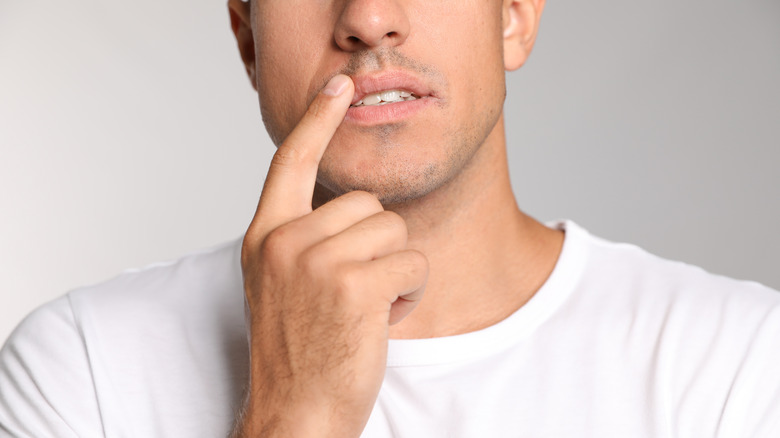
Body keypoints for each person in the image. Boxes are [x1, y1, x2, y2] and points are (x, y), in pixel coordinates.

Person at [1, 0, 779, 436]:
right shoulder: (81, 368)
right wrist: (295, 417)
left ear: (512, 16)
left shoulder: (738, 365)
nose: (369, 19)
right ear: (247, 39)